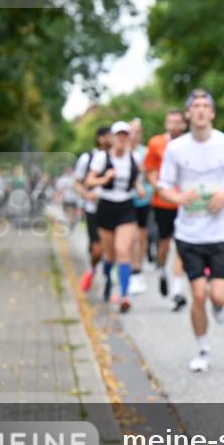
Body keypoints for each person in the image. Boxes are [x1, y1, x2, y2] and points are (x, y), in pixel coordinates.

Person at [158, 88, 224, 372]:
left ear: (211, 113)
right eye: (194, 105)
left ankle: (220, 307)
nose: (199, 110)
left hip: (221, 232)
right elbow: (163, 185)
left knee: (218, 296)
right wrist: (178, 198)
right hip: (189, 232)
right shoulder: (175, 148)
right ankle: (202, 348)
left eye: (204, 105)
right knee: (197, 294)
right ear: (188, 114)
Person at [85, 121, 146, 313]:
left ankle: (124, 295)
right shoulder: (102, 158)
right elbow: (89, 181)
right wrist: (104, 179)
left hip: (126, 206)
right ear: (111, 138)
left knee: (123, 250)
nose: (121, 139)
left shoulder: (134, 157)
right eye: (118, 135)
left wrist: (139, 187)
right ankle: (106, 281)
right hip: (106, 206)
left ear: (129, 138)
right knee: (109, 254)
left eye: (125, 135)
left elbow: (135, 178)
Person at [144, 109, 189, 311]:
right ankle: (161, 270)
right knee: (164, 243)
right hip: (163, 202)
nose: (175, 125)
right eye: (171, 121)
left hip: (185, 201)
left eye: (178, 122)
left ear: (184, 124)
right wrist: (160, 188)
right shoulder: (156, 143)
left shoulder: (190, 143)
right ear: (166, 123)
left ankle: (177, 290)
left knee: (181, 243)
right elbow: (149, 171)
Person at [75, 126, 112, 294]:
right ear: (99, 138)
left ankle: (107, 279)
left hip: (112, 208)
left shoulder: (117, 157)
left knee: (112, 247)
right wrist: (86, 195)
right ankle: (92, 270)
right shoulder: (87, 158)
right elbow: (77, 182)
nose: (110, 139)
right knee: (97, 249)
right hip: (93, 209)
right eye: (106, 136)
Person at [129, 118, 153, 295]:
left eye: (137, 131)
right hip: (123, 199)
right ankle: (129, 266)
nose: (134, 134)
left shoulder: (145, 152)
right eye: (131, 131)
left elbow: (149, 174)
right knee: (130, 236)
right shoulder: (119, 151)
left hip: (142, 199)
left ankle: (137, 268)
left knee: (140, 235)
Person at [54, 165, 81, 230]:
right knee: (68, 212)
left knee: (72, 212)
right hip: (66, 198)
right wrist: (57, 197)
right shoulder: (62, 179)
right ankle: (70, 222)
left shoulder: (75, 178)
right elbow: (58, 189)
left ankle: (71, 222)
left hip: (74, 199)